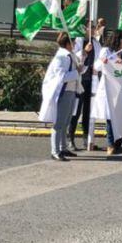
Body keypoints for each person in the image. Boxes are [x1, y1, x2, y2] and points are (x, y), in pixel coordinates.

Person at [39, 32, 81, 161]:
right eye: (73, 42)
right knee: (59, 123)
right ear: (68, 44)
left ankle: (63, 148)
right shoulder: (61, 57)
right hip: (63, 92)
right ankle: (55, 151)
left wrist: (80, 69)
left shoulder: (69, 55)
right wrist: (76, 72)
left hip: (71, 91)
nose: (74, 44)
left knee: (66, 122)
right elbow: (61, 77)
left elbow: (74, 72)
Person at [68, 34, 95, 151]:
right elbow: (76, 59)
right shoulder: (78, 41)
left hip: (91, 81)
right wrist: (85, 51)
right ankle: (70, 139)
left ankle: (87, 140)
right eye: (91, 27)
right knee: (76, 112)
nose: (93, 29)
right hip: (79, 82)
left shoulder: (95, 42)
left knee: (88, 112)